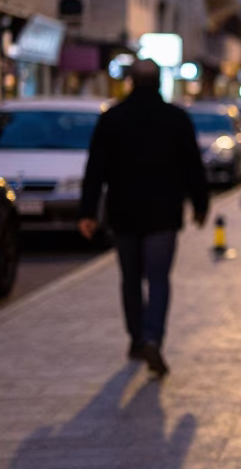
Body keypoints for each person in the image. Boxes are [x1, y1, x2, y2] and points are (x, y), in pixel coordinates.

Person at [79, 59, 209, 378]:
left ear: (131, 83)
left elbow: (95, 169)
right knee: (160, 279)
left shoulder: (113, 119)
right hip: (163, 214)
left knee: (131, 279)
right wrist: (201, 204)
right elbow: (193, 165)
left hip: (124, 214)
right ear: (160, 83)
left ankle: (137, 339)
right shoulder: (176, 118)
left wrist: (87, 212)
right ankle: (153, 337)